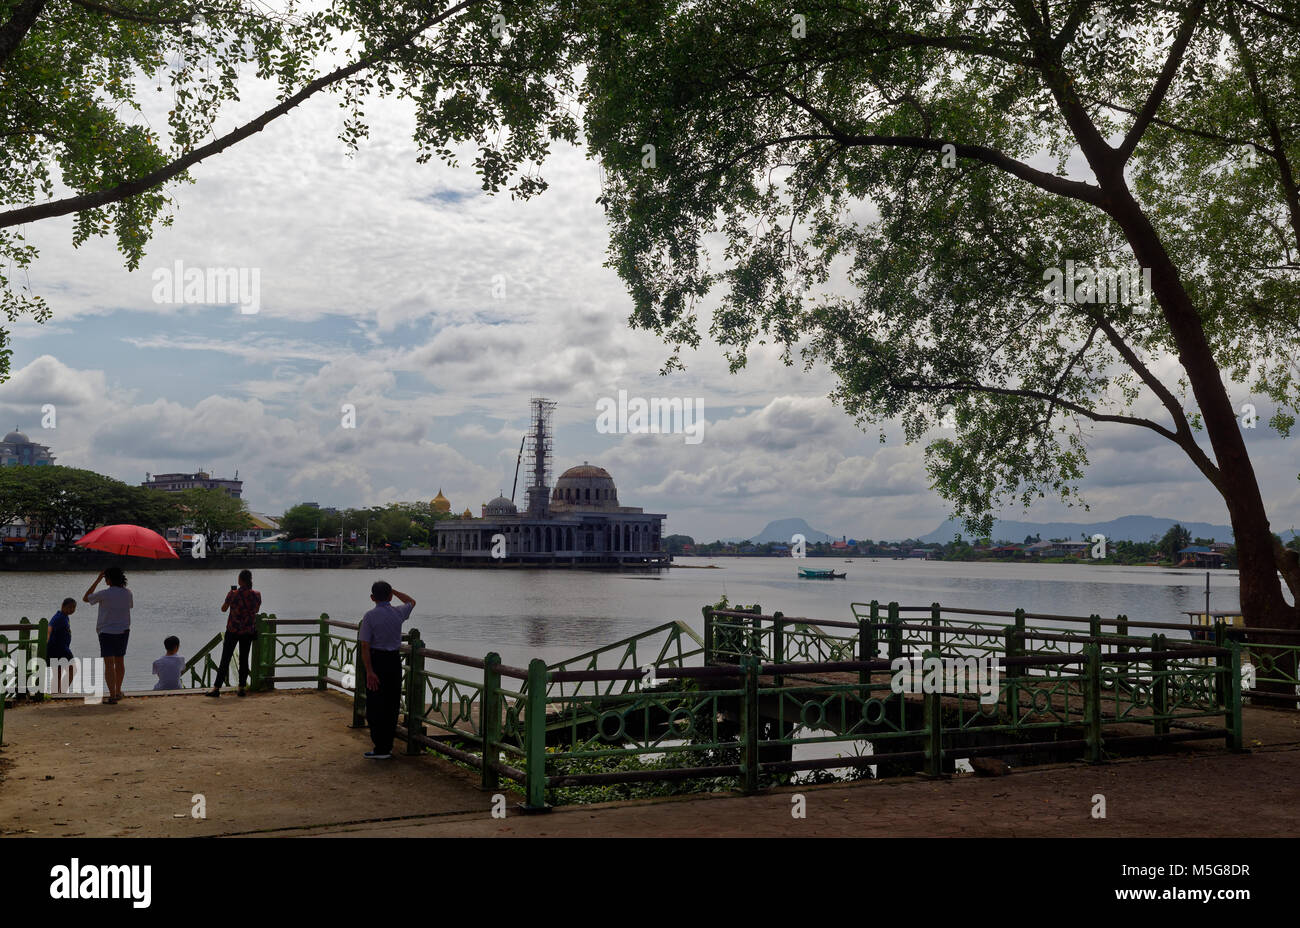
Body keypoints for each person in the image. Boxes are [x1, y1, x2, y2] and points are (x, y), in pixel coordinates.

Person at [358, 580, 416, 759]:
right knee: (391, 703)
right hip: (393, 661)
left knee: (375, 704)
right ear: (390, 596)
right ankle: (387, 745)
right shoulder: (398, 612)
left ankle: (380, 747)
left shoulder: (369, 616)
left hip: (377, 660)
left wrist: (369, 671)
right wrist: (394, 591)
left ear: (372, 598)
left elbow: (365, 646)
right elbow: (411, 601)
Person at [205, 569, 262, 698]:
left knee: (225, 659)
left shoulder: (233, 594)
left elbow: (223, 609)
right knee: (244, 659)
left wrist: (232, 602)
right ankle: (241, 688)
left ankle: (216, 688)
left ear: (240, 580)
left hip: (233, 630)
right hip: (248, 631)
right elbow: (256, 610)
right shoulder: (256, 595)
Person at [84, 566, 132, 704]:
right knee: (120, 662)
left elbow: (86, 598)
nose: (105, 580)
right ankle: (117, 691)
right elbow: (129, 606)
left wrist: (97, 580)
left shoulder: (104, 593)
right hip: (123, 631)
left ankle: (112, 695)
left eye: (105, 578)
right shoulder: (128, 593)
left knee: (109, 664)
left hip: (106, 632)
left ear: (109, 579)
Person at [47, 597, 77, 694]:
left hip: (63, 648)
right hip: (57, 648)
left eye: (73, 608)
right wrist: (47, 642)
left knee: (60, 672)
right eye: (69, 607)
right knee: (70, 670)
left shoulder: (65, 616)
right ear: (63, 606)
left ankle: (59, 693)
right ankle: (58, 693)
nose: (71, 610)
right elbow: (49, 627)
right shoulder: (59, 617)